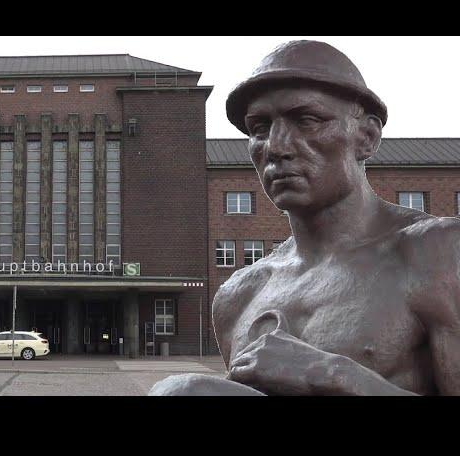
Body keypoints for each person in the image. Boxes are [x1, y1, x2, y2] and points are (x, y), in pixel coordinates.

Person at [150, 40, 460, 396]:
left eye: (307, 120)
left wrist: (332, 373)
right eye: (259, 128)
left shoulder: (438, 254)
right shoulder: (239, 296)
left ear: (367, 136)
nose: (277, 147)